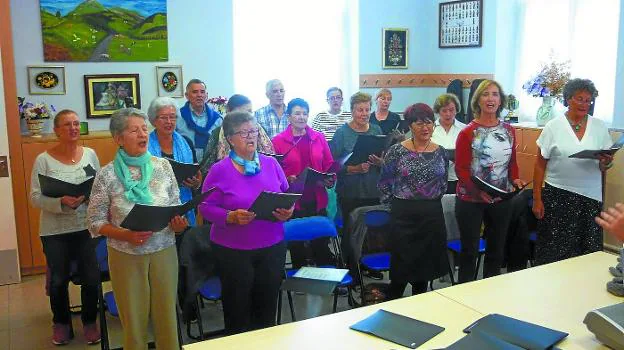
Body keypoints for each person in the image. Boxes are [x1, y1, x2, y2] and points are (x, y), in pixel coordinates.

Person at [87, 108, 188, 349]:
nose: (143, 134)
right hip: (126, 255)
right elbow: (94, 221)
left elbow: (175, 206)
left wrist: (179, 225)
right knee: (134, 322)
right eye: (134, 130)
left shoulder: (163, 167)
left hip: (164, 250)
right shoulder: (107, 174)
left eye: (144, 128)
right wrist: (125, 234)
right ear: (119, 139)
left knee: (167, 318)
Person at [199, 111, 293, 334]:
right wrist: (229, 216)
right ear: (230, 138)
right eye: (244, 133)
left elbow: (287, 197)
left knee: (267, 307)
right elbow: (204, 207)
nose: (251, 137)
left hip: (272, 246)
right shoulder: (219, 170)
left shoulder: (271, 164)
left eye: (254, 131)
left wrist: (288, 211)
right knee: (238, 311)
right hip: (233, 251)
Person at [30, 109, 101, 346]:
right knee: (59, 280)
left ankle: (90, 322)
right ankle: (61, 324)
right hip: (54, 231)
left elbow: (98, 188)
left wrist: (90, 197)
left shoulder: (90, 154)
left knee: (91, 278)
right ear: (56, 130)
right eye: (67, 125)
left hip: (85, 227)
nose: (73, 128)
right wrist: (61, 201)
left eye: (76, 124)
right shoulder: (43, 159)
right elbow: (35, 197)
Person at [532, 78, 613, 265]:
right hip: (558, 196)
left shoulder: (600, 127)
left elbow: (604, 167)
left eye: (588, 100)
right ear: (568, 99)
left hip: (590, 198)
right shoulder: (553, 126)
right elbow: (539, 165)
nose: (585, 104)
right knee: (556, 252)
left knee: (587, 253)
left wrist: (606, 163)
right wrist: (537, 198)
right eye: (580, 99)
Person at [455, 79, 524, 283]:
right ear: (478, 101)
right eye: (485, 94)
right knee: (469, 251)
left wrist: (516, 180)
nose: (490, 98)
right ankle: (464, 293)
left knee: (496, 250)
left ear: (500, 100)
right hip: (470, 199)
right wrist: (478, 193)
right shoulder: (467, 132)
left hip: (501, 198)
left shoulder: (509, 130)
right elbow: (461, 169)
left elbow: (512, 162)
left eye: (494, 94)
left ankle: (490, 292)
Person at [379, 103, 449, 299]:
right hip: (403, 216)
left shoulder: (440, 151)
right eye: (419, 123)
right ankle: (392, 310)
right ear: (410, 125)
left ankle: (420, 310)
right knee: (400, 272)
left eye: (429, 122)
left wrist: (428, 200)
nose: (425, 127)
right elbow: (384, 184)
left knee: (424, 272)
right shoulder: (396, 151)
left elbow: (443, 184)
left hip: (431, 216)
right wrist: (397, 205)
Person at [272, 98, 335, 268]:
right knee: (296, 243)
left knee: (320, 241)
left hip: (317, 195)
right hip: (293, 199)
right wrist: (287, 179)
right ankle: (299, 276)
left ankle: (326, 277)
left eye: (305, 113)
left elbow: (329, 164)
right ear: (289, 116)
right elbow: (273, 172)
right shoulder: (277, 141)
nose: (301, 117)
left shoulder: (318, 137)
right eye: (297, 113)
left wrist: (330, 178)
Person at [330, 92, 383, 270]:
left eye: (367, 109)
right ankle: (351, 267)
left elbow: (386, 158)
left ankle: (368, 266)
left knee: (372, 231)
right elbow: (333, 165)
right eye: (360, 110)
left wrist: (380, 162)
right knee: (351, 231)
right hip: (350, 191)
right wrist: (354, 169)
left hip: (373, 188)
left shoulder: (376, 130)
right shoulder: (342, 133)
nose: (364, 113)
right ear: (352, 111)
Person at [147, 97, 202, 226]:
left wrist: (196, 183)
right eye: (164, 117)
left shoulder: (186, 142)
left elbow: (195, 172)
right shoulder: (145, 146)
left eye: (173, 117)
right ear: (154, 120)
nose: (169, 122)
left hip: (184, 207)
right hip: (155, 207)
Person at [200, 94, 274, 174]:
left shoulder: (259, 130)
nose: (246, 116)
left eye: (249, 112)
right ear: (229, 111)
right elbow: (207, 167)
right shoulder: (217, 133)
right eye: (242, 113)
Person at [177, 79, 223, 160]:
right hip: (185, 164)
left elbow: (221, 147)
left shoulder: (218, 119)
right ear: (187, 95)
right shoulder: (177, 117)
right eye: (195, 92)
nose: (199, 95)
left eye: (202, 92)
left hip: (211, 167)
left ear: (206, 95)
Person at [431, 93, 466, 194]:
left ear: (456, 110)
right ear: (438, 111)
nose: (448, 114)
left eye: (451, 110)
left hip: (458, 179)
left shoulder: (465, 129)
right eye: (444, 110)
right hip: (435, 179)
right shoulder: (429, 129)